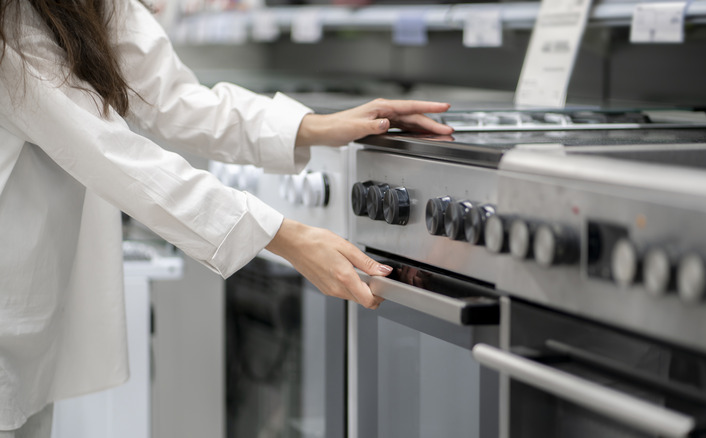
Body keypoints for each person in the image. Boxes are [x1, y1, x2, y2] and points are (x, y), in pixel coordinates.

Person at [0, 0, 454, 435]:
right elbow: (108, 152)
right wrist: (283, 235)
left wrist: (318, 126)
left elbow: (172, 98)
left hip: (31, 321)